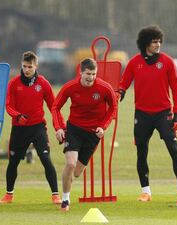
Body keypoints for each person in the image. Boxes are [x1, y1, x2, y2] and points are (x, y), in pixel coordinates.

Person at [117, 25, 177, 202]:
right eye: (154, 41)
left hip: (164, 114)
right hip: (142, 114)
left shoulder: (168, 62)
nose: (158, 44)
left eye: (159, 41)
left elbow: (176, 89)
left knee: (173, 149)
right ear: (146, 43)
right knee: (142, 152)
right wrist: (121, 92)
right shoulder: (134, 62)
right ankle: (146, 191)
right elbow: (124, 83)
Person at [51, 58, 117, 211]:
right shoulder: (70, 87)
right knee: (70, 164)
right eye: (88, 74)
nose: (91, 77)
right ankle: (65, 200)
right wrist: (59, 127)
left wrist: (103, 126)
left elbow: (113, 108)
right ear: (81, 72)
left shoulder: (105, 88)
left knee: (77, 172)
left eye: (94, 74)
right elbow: (55, 107)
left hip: (93, 134)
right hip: (74, 130)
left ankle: (67, 184)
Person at [0, 51, 61, 204]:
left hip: (38, 128)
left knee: (46, 159)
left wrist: (60, 127)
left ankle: (55, 195)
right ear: (22, 65)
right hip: (19, 129)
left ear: (36, 66)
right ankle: (9, 195)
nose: (27, 70)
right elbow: (8, 106)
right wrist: (18, 115)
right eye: (25, 66)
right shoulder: (14, 84)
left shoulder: (43, 83)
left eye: (30, 67)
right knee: (13, 162)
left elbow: (54, 107)